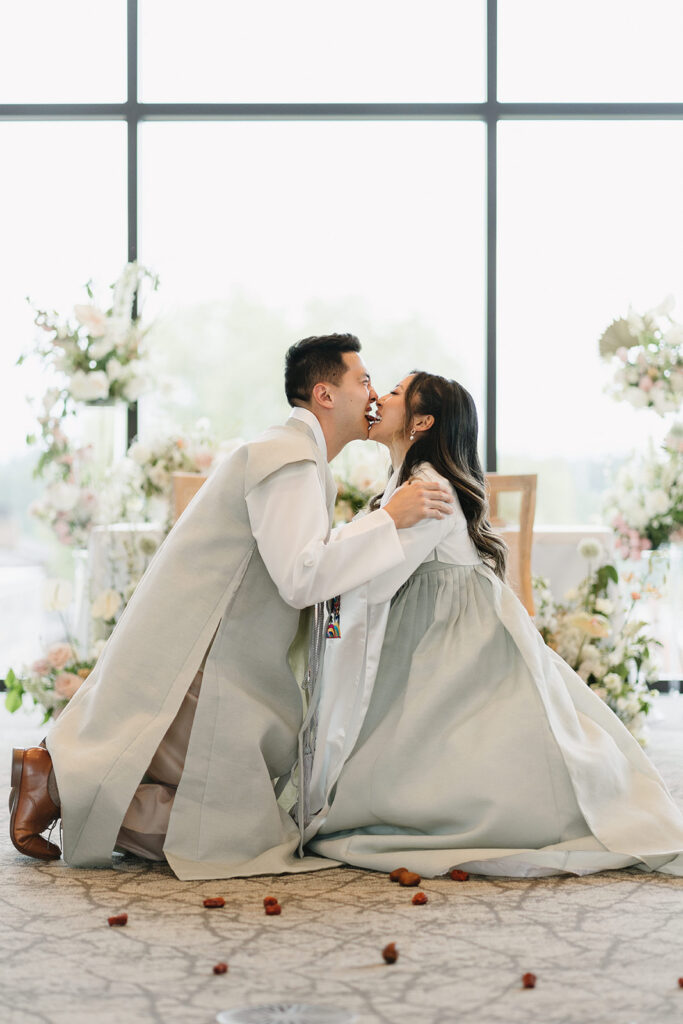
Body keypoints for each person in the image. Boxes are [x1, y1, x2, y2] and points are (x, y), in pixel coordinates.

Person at [9, 336, 454, 880]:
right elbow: (300, 576)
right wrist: (391, 519)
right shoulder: (287, 456)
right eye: (362, 381)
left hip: (218, 651)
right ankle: (55, 782)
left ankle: (53, 778)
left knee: (242, 825)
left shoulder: (299, 456)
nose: (373, 394)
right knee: (236, 835)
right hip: (205, 657)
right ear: (324, 393)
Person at [305, 371, 683, 878]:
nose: (378, 398)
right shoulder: (406, 486)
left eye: (394, 392)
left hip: (454, 638)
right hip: (430, 628)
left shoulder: (428, 490)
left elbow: (372, 575)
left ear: (421, 420)